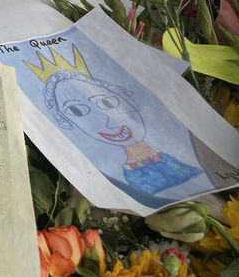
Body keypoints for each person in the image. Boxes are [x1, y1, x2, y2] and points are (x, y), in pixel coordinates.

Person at [25, 46, 204, 197]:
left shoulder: (182, 152)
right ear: (65, 122)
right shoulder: (131, 177)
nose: (108, 120)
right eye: (77, 111)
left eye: (107, 102)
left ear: (123, 95)